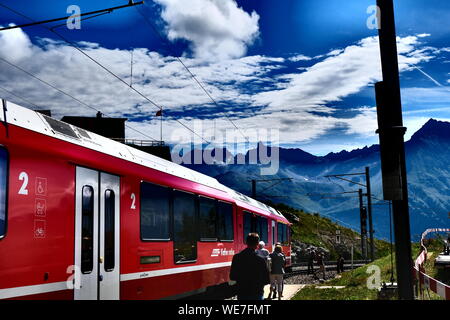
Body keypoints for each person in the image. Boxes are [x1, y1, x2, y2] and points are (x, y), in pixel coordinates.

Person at [230, 233, 270, 300]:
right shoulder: (261, 260)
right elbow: (266, 280)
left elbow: (232, 276)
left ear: (246, 242)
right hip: (257, 293)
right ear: (257, 244)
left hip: (242, 293)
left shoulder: (236, 257)